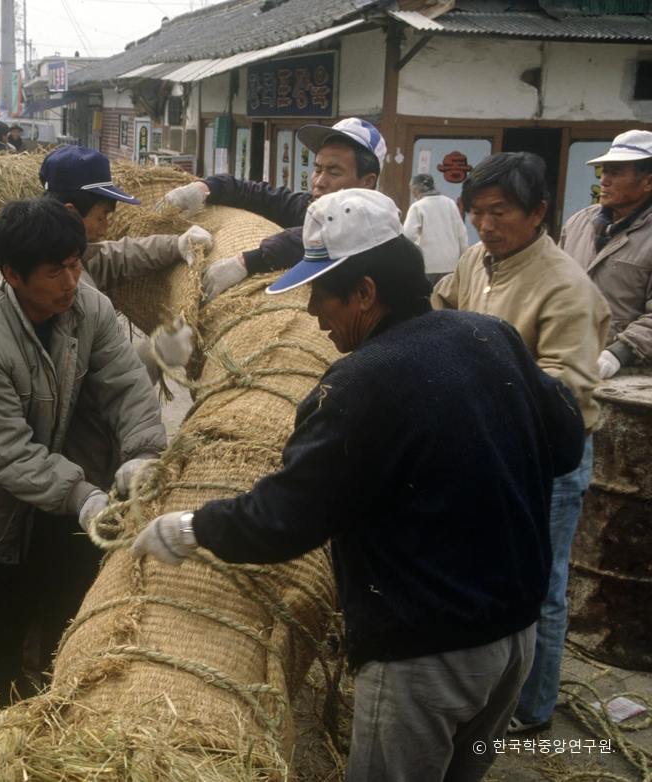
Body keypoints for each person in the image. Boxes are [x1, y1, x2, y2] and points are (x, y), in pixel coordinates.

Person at [132, 188, 586, 782]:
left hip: (428, 658)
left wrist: (192, 526)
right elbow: (567, 441)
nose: (315, 315)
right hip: (513, 642)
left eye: (321, 293)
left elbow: (286, 517)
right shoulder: (490, 336)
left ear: (366, 292)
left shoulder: (358, 383)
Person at [0, 198, 166, 704]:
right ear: (12, 275)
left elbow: (125, 387)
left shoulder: (89, 307)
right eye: (53, 272)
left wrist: (143, 452)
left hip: (20, 507)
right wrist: (83, 496)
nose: (69, 281)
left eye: (74, 264)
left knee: (4, 643)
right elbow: (7, 453)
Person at [431, 152, 611, 736]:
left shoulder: (565, 287)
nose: (485, 224)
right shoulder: (475, 261)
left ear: (537, 213)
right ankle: (485, 692)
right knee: (489, 571)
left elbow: (567, 394)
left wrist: (478, 380)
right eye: (476, 211)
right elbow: (441, 310)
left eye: (500, 212)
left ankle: (530, 711)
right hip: (490, 448)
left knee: (542, 587)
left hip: (548, 459)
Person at [31, 145, 210, 674]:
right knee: (66, 569)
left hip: (91, 450)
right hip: (68, 454)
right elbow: (90, 383)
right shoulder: (56, 283)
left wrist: (177, 244)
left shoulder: (73, 259)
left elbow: (116, 257)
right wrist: (155, 355)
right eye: (102, 211)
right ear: (69, 214)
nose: (109, 221)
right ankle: (50, 669)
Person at [160, 117, 385, 303]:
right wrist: (206, 188)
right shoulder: (312, 205)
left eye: (334, 173)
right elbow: (264, 197)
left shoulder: (377, 227)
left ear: (367, 182)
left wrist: (248, 261)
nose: (319, 182)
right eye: (317, 169)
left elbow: (317, 237)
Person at [560, 130, 652, 379]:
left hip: (629, 373)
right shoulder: (579, 222)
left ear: (648, 182)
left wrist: (619, 352)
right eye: (604, 171)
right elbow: (552, 285)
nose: (604, 180)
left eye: (616, 172)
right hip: (566, 359)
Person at [403, 173, 469, 284]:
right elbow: (462, 234)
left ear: (415, 191)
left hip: (428, 265)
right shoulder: (450, 203)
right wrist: (464, 260)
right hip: (451, 265)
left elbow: (408, 236)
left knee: (428, 299)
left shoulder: (418, 207)